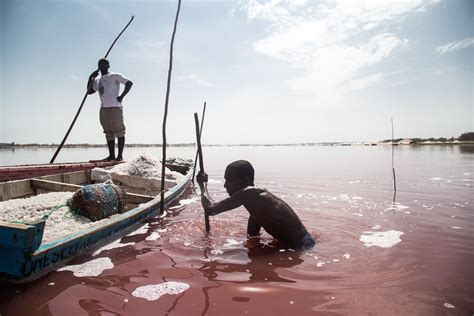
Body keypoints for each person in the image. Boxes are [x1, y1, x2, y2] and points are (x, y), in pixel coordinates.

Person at [197, 160, 316, 249]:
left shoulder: (251, 194)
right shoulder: (256, 203)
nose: (225, 185)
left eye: (229, 180)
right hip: (303, 243)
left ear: (246, 180)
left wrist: (203, 185)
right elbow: (252, 236)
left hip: (301, 246)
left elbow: (210, 209)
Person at [87, 58, 133, 161]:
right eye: (99, 64)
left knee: (119, 131)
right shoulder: (97, 79)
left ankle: (119, 156)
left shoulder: (114, 76)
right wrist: (91, 76)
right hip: (104, 109)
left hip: (115, 107)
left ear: (108, 65)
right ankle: (111, 155)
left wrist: (121, 96)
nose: (101, 66)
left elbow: (129, 83)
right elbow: (89, 91)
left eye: (103, 64)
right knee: (108, 132)